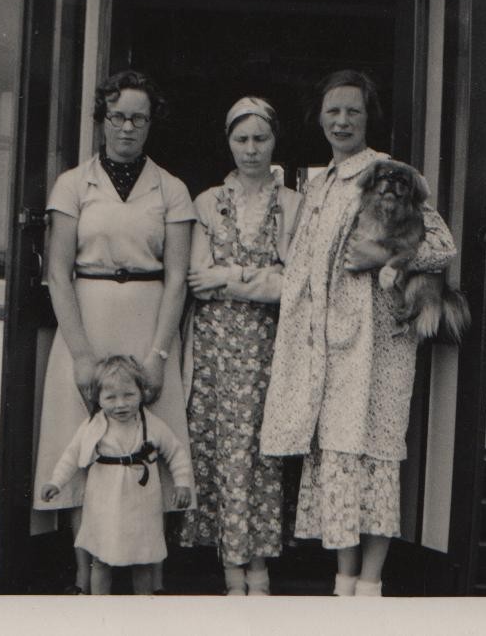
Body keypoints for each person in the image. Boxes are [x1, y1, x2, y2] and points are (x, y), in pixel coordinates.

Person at [259, 70, 458, 597]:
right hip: (328, 345)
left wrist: (384, 256)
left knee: (372, 457)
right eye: (332, 111)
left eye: (352, 110)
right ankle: (342, 583)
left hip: (378, 346)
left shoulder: (389, 172)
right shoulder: (321, 182)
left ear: (369, 117)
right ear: (319, 119)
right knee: (337, 459)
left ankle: (369, 586)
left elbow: (442, 246)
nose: (342, 120)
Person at [32, 70, 195, 595]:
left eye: (139, 118)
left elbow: (176, 280)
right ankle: (85, 576)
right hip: (87, 321)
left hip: (148, 319)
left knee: (150, 444)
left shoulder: (170, 189)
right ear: (102, 120)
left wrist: (158, 354)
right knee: (82, 448)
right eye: (118, 116)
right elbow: (58, 273)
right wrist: (81, 355)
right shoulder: (73, 184)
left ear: (151, 124)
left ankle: (149, 578)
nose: (128, 128)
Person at [179, 97, 302, 596]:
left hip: (269, 347)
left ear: (274, 140)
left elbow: (294, 284)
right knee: (221, 453)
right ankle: (233, 573)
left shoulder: (294, 204)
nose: (251, 149)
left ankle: (260, 571)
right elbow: (195, 280)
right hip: (213, 352)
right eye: (241, 139)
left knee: (259, 454)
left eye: (261, 139)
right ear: (228, 141)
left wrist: (231, 276)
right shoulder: (207, 202)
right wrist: (259, 277)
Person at [41, 356, 194, 595]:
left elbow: (176, 453)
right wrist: (56, 482)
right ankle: (101, 610)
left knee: (143, 560)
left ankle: (142, 607)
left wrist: (182, 483)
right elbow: (71, 456)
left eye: (128, 395)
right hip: (105, 502)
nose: (120, 404)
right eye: (110, 398)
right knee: (101, 558)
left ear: (141, 393)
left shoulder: (150, 424)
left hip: (141, 503)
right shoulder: (94, 426)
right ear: (98, 398)